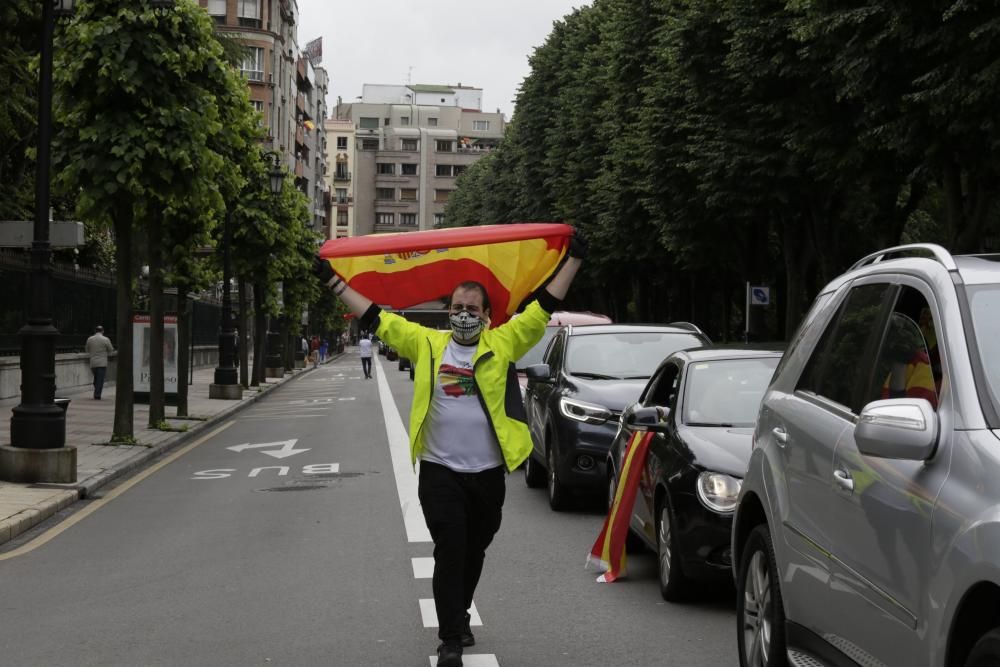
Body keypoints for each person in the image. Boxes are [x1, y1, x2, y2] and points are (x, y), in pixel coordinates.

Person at [312, 233, 585, 667]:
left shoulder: (503, 344)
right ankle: (450, 641)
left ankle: (458, 611)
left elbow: (542, 308)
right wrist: (333, 282)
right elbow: (378, 319)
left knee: (476, 549)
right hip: (440, 472)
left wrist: (574, 260)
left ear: (487, 316)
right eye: (457, 309)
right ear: (447, 312)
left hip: (488, 474)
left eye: (471, 310)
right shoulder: (427, 344)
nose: (463, 316)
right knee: (450, 549)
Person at [84, 325, 115, 400]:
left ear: (95, 331)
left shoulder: (90, 339)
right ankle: (97, 395)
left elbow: (86, 350)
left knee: (97, 378)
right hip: (102, 363)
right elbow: (111, 350)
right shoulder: (105, 339)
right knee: (100, 380)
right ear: (102, 331)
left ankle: (97, 391)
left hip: (93, 363)